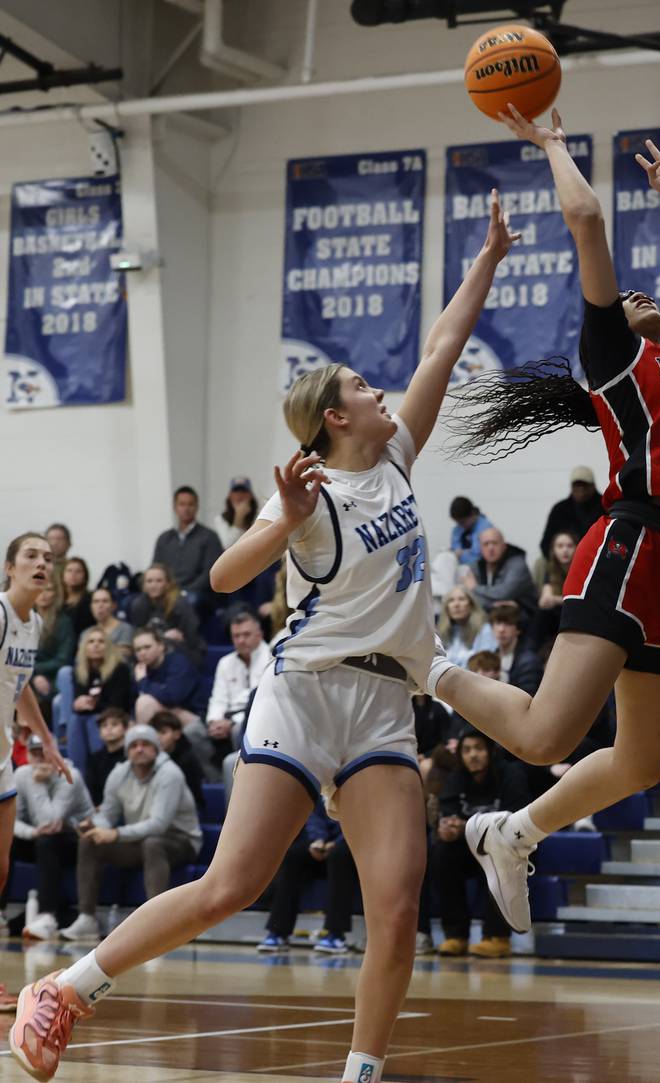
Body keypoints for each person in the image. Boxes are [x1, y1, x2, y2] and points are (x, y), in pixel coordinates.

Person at [10, 190, 518, 1083]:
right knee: (231, 883)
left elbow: (441, 346)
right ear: (335, 417)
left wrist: (486, 261)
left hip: (384, 704)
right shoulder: (311, 502)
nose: (380, 391)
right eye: (364, 388)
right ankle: (69, 987)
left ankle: (359, 1073)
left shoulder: (396, 452)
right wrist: (282, 519)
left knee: (393, 907)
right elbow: (221, 578)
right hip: (307, 691)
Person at [424, 109, 660, 939]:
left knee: (645, 761)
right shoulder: (618, 361)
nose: (639, 294)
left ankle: (514, 831)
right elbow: (585, 218)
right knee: (544, 736)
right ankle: (423, 664)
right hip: (633, 543)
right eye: (626, 296)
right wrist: (549, 145)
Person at [0, 533, 72, 1010]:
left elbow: (19, 685)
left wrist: (46, 739)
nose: (41, 563)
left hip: (3, 757)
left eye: (48, 558)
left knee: (1, 869)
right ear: (9, 567)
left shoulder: (34, 624)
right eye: (31, 556)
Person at [59, 723, 202, 942]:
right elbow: (108, 813)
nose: (139, 749)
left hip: (181, 840)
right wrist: (94, 824)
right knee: (89, 841)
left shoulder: (170, 774)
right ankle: (86, 919)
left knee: (153, 843)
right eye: (134, 745)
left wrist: (115, 834)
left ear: (156, 749)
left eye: (146, 744)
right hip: (141, 839)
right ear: (127, 751)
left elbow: (158, 824)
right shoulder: (119, 773)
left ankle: (157, 924)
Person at [430, 728, 529, 959]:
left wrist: (466, 826)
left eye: (478, 749)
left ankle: (497, 937)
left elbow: (518, 821)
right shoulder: (456, 778)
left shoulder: (511, 774)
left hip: (511, 848)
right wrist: (447, 829)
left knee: (502, 853)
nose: (472, 755)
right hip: (470, 850)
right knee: (441, 853)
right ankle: (456, 936)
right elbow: (448, 814)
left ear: (490, 751)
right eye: (466, 750)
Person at [13, 734, 94, 940]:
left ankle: (47, 916)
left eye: (44, 752)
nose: (40, 758)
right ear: (28, 755)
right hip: (39, 836)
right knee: (7, 840)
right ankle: (1, 913)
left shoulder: (70, 774)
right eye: (34, 753)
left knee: (47, 842)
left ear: (55, 753)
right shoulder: (22, 774)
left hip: (76, 840)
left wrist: (37, 782)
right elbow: (13, 820)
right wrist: (30, 832)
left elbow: (50, 821)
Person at [259, 800, 358, 955]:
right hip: (323, 844)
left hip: (352, 844)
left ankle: (336, 934)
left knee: (339, 855)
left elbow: (360, 820)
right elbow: (313, 815)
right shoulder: (322, 783)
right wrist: (317, 840)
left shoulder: (357, 784)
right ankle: (278, 932)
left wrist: (337, 842)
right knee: (294, 855)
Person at [131, 628, 213, 779]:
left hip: (194, 718)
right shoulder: (140, 670)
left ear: (161, 646)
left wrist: (143, 682)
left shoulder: (178, 662)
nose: (142, 653)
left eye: (147, 647)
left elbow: (172, 697)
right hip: (164, 722)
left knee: (145, 703)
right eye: (138, 649)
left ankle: (149, 767)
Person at [58, 627, 133, 775]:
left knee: (93, 721)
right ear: (84, 647)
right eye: (91, 641)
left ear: (108, 646)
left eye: (101, 641)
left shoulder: (120, 669)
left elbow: (117, 704)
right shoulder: (79, 671)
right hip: (87, 716)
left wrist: (92, 705)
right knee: (76, 719)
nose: (96, 645)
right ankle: (77, 775)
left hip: (113, 716)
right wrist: (77, 704)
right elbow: (78, 702)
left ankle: (97, 772)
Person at [205, 609, 271, 751]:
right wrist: (214, 721)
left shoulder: (271, 659)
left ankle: (239, 770)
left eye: (246, 635)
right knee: (194, 731)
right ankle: (215, 773)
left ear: (259, 635)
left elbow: (261, 704)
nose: (241, 640)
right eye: (236, 636)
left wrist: (232, 722)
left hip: (255, 719)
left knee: (238, 730)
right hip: (226, 718)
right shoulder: (225, 662)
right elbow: (218, 699)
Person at [152, 486, 223, 614]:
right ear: (175, 507)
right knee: (136, 602)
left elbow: (210, 572)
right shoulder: (164, 538)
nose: (186, 508)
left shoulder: (209, 537)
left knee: (188, 601)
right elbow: (156, 568)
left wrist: (184, 592)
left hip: (196, 593)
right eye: (182, 504)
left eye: (190, 504)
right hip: (166, 591)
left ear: (197, 507)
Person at [129, 564, 205, 668]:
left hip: (183, 652)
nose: (153, 585)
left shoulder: (180, 604)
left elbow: (192, 639)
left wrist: (176, 640)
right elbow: (138, 636)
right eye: (149, 581)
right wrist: (164, 638)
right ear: (144, 585)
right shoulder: (139, 605)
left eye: (158, 581)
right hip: (152, 655)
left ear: (168, 584)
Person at [462, 527, 539, 628]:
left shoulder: (518, 564)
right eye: (486, 544)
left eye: (494, 543)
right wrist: (492, 604)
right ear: (480, 548)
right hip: (490, 616)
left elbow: (504, 593)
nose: (490, 548)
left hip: (524, 617)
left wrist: (475, 588)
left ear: (504, 546)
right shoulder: (476, 566)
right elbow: (471, 598)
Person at [31, 579, 75, 723]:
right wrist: (34, 675)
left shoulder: (64, 622)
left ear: (56, 594)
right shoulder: (22, 619)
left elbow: (63, 659)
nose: (43, 594)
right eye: (39, 589)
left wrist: (37, 671)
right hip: (28, 675)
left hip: (55, 676)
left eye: (48, 590)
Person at [539, 467, 604, 558]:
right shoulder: (559, 510)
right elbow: (546, 543)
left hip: (596, 557)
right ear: (572, 486)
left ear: (593, 486)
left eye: (585, 485)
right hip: (566, 561)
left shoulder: (605, 506)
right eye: (577, 485)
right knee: (540, 563)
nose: (581, 489)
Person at [150, 710, 206, 811]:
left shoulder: (187, 760)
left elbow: (192, 797)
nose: (158, 737)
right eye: (154, 732)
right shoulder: (150, 757)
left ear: (177, 734)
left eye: (163, 732)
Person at [532, 532, 578, 652]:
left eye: (569, 546)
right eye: (560, 546)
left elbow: (581, 600)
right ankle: (536, 653)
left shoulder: (582, 568)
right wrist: (547, 597)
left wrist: (555, 600)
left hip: (576, 615)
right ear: (554, 549)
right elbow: (545, 597)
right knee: (542, 613)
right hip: (557, 616)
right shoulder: (551, 568)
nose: (565, 550)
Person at [489, 605, 543, 696]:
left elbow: (527, 698)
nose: (501, 629)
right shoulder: (490, 657)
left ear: (518, 629)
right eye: (498, 623)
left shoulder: (529, 661)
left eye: (508, 624)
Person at [436, 585, 496, 668]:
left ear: (471, 605)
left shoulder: (485, 631)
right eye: (451, 600)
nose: (456, 605)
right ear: (446, 608)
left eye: (462, 599)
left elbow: (486, 667)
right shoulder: (444, 633)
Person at [84, 707, 129, 807]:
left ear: (125, 729)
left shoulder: (130, 756)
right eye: (104, 726)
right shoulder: (94, 758)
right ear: (99, 733)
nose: (109, 729)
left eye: (114, 724)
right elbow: (91, 790)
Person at [78, 587, 134, 658]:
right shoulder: (86, 633)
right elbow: (80, 658)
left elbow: (124, 655)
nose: (100, 605)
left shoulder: (125, 629)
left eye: (105, 601)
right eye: (96, 602)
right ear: (91, 607)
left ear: (114, 606)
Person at [214, 477, 259, 550]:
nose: (240, 495)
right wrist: (239, 517)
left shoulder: (259, 516)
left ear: (250, 496)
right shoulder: (221, 518)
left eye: (243, 491)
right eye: (236, 491)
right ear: (230, 496)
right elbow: (227, 546)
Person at [449, 497, 493, 565]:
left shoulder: (485, 529)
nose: (460, 526)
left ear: (472, 515)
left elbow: (480, 556)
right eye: (458, 523)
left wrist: (460, 554)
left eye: (462, 522)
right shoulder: (458, 528)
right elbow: (455, 548)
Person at [61, 558, 94, 642]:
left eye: (78, 571)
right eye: (69, 570)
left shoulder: (91, 600)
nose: (73, 574)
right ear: (63, 575)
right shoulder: (56, 600)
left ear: (84, 576)